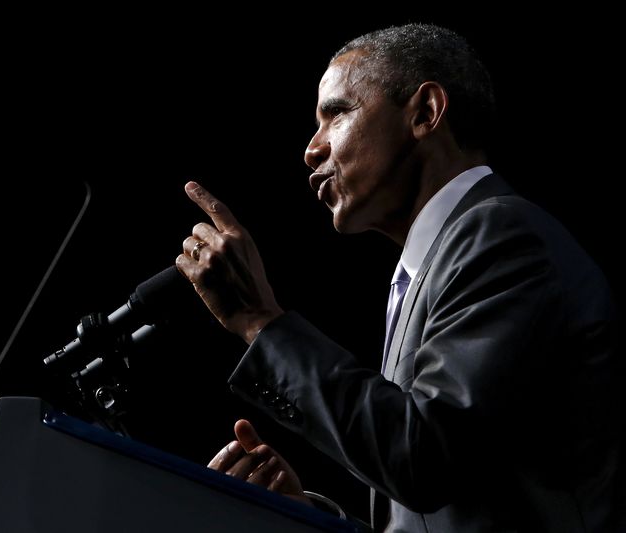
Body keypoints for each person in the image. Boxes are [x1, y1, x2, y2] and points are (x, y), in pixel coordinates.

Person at [175, 23, 623, 532]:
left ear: (425, 113)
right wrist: (307, 515)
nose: (312, 149)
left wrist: (259, 320)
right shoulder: (427, 265)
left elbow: (423, 458)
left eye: (336, 114)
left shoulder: (502, 236)